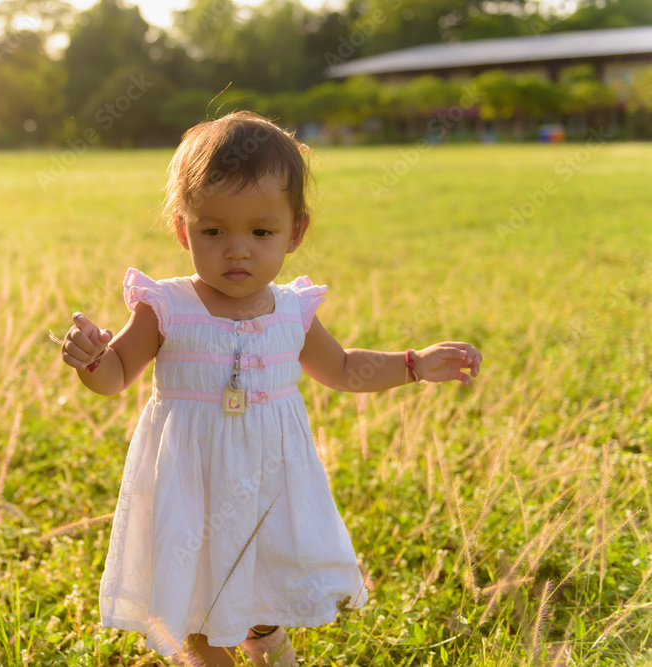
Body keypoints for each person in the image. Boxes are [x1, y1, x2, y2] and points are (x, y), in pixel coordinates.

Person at [58, 111, 483, 666]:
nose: (238, 249)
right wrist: (92, 359)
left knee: (262, 588)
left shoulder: (292, 310)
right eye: (214, 231)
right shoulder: (165, 307)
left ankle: (267, 640)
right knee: (199, 607)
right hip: (193, 485)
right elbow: (115, 378)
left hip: (270, 484)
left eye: (261, 232)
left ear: (295, 231)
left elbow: (343, 367)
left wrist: (413, 364)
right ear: (184, 230)